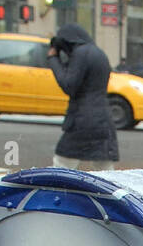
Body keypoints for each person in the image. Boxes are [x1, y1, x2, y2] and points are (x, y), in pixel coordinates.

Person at [47, 24, 118, 171]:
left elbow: (69, 85)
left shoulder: (81, 53)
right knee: (104, 168)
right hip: (103, 118)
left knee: (62, 163)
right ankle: (108, 194)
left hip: (83, 119)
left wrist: (53, 59)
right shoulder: (98, 53)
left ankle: (61, 193)